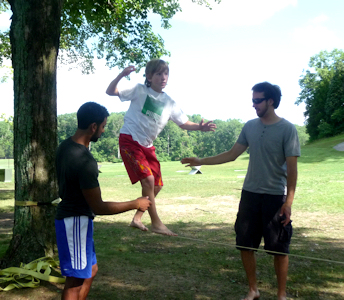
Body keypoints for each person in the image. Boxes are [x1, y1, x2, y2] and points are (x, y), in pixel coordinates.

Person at [181, 82, 300, 300]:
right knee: (245, 243)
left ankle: (281, 295)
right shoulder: (249, 126)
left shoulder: (287, 129)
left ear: (270, 101)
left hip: (275, 196)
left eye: (257, 100)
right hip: (250, 195)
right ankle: (253, 290)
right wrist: (201, 161)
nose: (253, 104)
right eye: (253, 100)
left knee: (279, 247)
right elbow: (231, 154)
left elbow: (292, 170)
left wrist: (288, 202)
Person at [106, 59, 217, 236]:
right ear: (149, 76)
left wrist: (200, 127)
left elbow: (184, 123)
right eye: (159, 73)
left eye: (166, 74)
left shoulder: (169, 102)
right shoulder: (139, 90)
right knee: (148, 181)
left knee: (157, 185)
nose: (163, 77)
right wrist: (121, 75)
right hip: (130, 140)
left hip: (148, 146)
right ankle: (157, 223)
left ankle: (137, 218)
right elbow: (110, 91)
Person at [55, 102, 151, 300]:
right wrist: (136, 203)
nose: (103, 130)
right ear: (93, 127)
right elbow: (98, 206)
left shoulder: (64, 146)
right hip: (74, 222)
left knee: (91, 270)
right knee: (74, 280)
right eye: (103, 126)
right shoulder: (84, 160)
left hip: (77, 221)